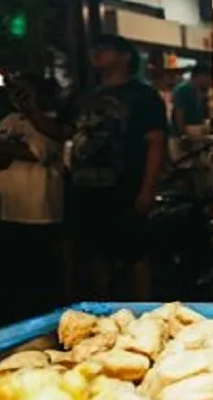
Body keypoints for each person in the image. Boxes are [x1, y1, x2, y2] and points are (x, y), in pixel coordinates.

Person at [66, 35, 168, 301]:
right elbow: (64, 131)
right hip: (86, 186)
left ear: (125, 57)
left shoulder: (143, 96)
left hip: (125, 185)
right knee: (94, 252)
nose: (96, 53)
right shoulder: (84, 96)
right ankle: (102, 307)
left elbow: (155, 142)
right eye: (95, 48)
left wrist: (147, 189)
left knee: (134, 251)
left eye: (104, 49)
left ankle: (143, 308)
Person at [0, 75, 65, 325]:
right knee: (11, 275)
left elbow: (37, 152)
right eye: (16, 93)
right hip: (6, 209)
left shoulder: (50, 122)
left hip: (38, 212)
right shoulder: (9, 120)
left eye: (25, 92)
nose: (19, 98)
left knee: (39, 276)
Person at [171, 64, 213, 137]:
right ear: (198, 76)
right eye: (207, 76)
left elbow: (205, 114)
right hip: (185, 133)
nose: (209, 80)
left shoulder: (203, 91)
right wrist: (182, 133)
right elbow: (179, 113)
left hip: (198, 131)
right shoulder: (183, 90)